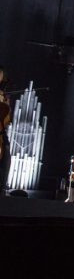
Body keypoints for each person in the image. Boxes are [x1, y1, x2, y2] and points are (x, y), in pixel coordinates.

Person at [0, 66, 12, 195]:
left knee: (7, 151)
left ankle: (2, 185)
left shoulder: (3, 94)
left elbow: (7, 119)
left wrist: (6, 103)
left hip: (1, 132)